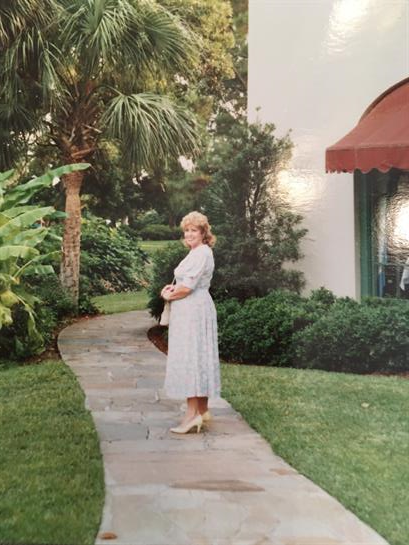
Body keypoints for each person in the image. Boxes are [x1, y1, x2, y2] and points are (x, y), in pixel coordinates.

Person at [161, 211, 221, 434]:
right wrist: (172, 289)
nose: (189, 234)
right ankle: (203, 410)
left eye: (193, 230)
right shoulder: (198, 252)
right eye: (186, 230)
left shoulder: (201, 253)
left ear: (203, 233)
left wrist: (168, 295)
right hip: (193, 308)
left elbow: (187, 288)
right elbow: (184, 284)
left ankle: (191, 415)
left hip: (193, 309)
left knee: (191, 358)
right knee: (198, 356)